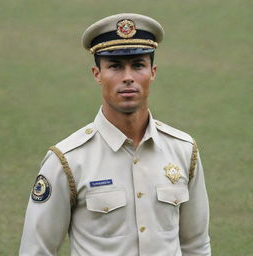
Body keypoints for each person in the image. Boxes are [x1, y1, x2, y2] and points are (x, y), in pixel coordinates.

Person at [20, 13, 211, 256]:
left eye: (138, 65)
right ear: (97, 74)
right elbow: (36, 250)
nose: (128, 77)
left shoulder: (184, 151)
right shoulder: (66, 160)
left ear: (152, 72)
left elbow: (196, 245)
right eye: (115, 66)